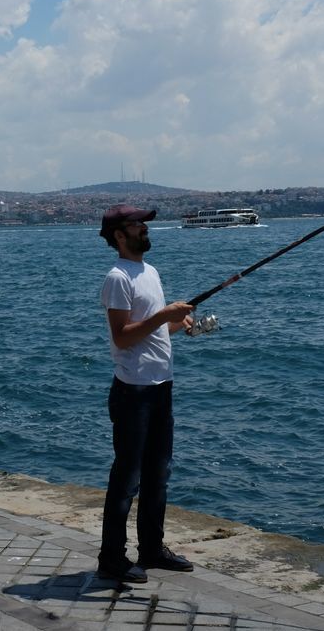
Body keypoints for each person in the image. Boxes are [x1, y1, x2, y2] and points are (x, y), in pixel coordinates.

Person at [96, 204, 197, 583]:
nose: (143, 229)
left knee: (158, 473)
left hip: (160, 386)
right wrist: (162, 316)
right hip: (133, 391)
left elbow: (150, 331)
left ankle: (151, 549)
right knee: (127, 477)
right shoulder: (118, 278)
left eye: (143, 224)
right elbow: (122, 337)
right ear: (119, 236)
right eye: (135, 224)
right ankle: (111, 559)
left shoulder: (149, 272)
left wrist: (177, 323)